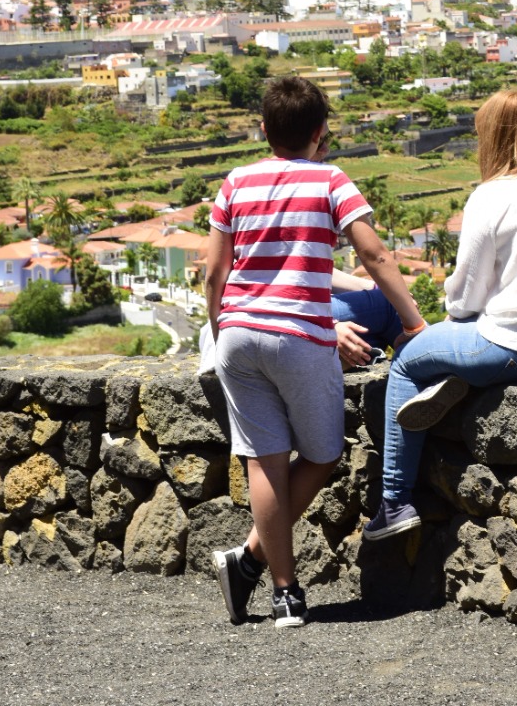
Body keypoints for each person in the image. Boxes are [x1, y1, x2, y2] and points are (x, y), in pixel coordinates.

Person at [205, 74, 425, 625]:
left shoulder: (234, 182)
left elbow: (215, 271)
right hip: (301, 336)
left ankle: (283, 592)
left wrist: (221, 326)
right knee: (323, 455)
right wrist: (414, 321)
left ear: (263, 129)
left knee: (264, 459)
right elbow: (374, 255)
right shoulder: (331, 181)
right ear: (321, 131)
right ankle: (253, 564)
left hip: (236, 334)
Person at [364, 88, 517, 540]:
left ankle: (394, 503)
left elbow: (464, 298)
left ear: (491, 138)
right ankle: (463, 378)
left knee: (406, 365)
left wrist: (455, 314)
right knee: (476, 342)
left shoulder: (491, 196)